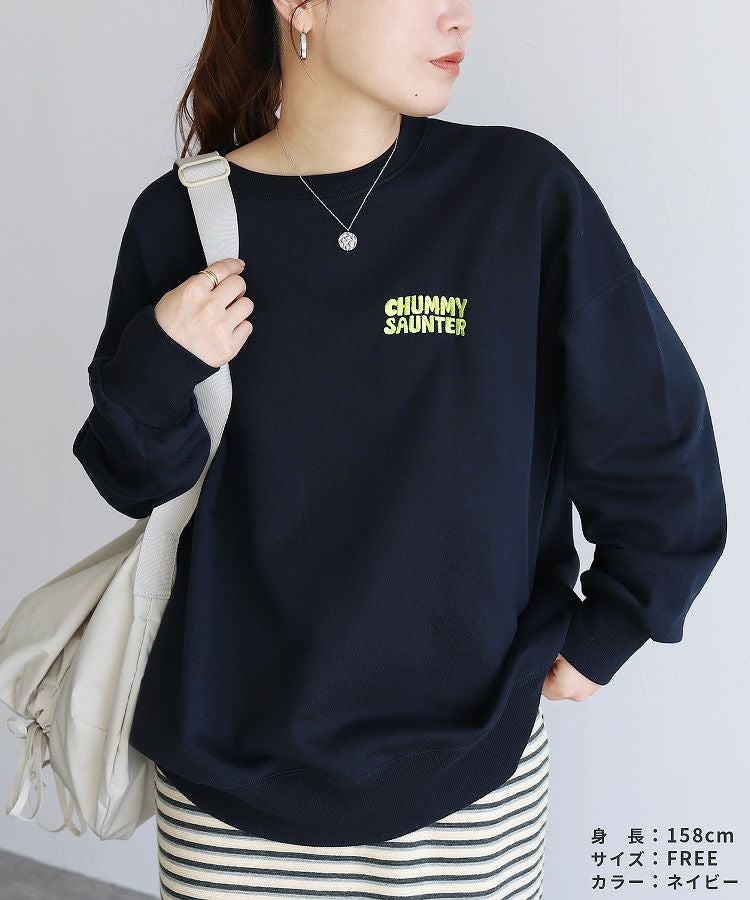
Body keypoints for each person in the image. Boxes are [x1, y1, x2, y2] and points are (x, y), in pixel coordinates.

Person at [71, 1, 727, 898]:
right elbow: (138, 481)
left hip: (467, 777)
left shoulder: (518, 193)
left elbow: (653, 425)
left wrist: (620, 619)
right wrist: (158, 358)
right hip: (230, 784)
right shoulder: (181, 218)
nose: (459, 16)